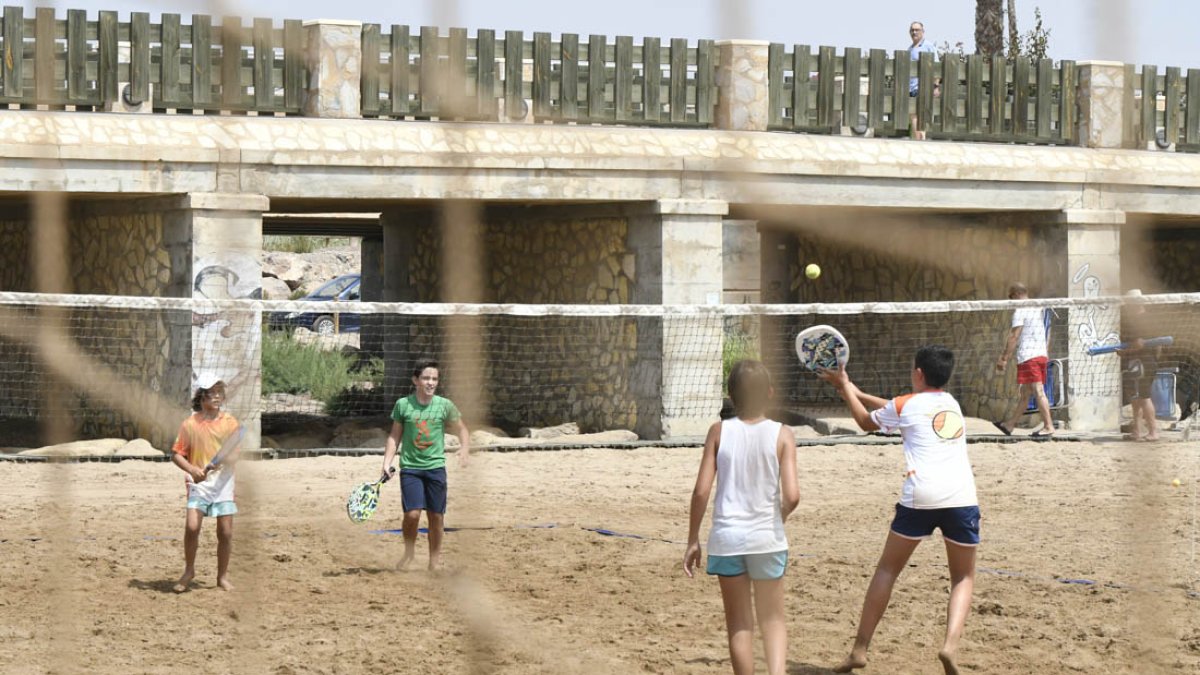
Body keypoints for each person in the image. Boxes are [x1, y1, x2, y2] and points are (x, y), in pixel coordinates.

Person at [818, 345, 979, 675]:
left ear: (919, 374)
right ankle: (949, 646)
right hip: (962, 497)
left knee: (887, 570)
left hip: (920, 497)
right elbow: (897, 410)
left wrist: (846, 387)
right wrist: (856, 390)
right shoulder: (952, 404)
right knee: (963, 576)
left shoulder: (906, 405)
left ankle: (859, 650)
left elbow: (866, 422)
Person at [684, 360, 800, 675]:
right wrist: (777, 519)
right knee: (773, 619)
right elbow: (792, 496)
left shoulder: (718, 431)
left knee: (739, 623)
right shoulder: (783, 434)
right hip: (767, 538)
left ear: (731, 396)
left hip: (727, 539)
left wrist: (693, 539)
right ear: (770, 394)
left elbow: (700, 492)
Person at [382, 359, 470, 570]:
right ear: (416, 380)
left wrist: (464, 447)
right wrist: (387, 462)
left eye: (434, 379)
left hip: (435, 467)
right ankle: (409, 552)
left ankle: (434, 563)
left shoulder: (445, 405)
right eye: (426, 378)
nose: (431, 382)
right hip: (411, 468)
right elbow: (394, 436)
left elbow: (462, 430)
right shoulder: (403, 405)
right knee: (412, 515)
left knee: (436, 516)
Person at [170, 372, 242, 593]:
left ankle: (222, 577)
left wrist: (224, 461)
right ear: (201, 397)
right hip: (198, 484)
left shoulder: (230, 423)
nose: (217, 396)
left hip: (223, 483)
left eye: (220, 392)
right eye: (212, 393)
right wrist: (192, 469)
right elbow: (176, 454)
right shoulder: (190, 424)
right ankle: (189, 571)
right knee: (192, 527)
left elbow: (234, 453)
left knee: (226, 533)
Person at [993, 282, 1054, 437]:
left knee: (1038, 391)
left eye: (1011, 297)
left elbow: (1014, 336)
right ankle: (1009, 425)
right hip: (1040, 355)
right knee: (1026, 393)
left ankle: (1048, 426)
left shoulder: (1021, 310)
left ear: (1016, 294)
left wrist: (1004, 358)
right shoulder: (1036, 307)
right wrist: (1045, 351)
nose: (1011, 300)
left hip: (1030, 357)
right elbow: (1048, 331)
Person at [1119, 290, 1161, 441]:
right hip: (1141, 362)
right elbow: (1156, 347)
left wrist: (1124, 353)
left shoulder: (1142, 319)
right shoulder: (1142, 318)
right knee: (1136, 397)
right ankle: (1136, 431)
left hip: (1143, 362)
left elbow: (1139, 344)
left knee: (1144, 397)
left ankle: (1153, 432)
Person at [907, 21, 939, 139]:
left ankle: (921, 141)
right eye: (912, 30)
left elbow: (937, 67)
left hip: (923, 88)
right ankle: (919, 141)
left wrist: (935, 86)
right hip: (911, 88)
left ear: (922, 32)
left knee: (920, 117)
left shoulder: (928, 46)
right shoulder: (909, 49)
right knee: (914, 117)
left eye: (917, 30)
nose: (914, 32)